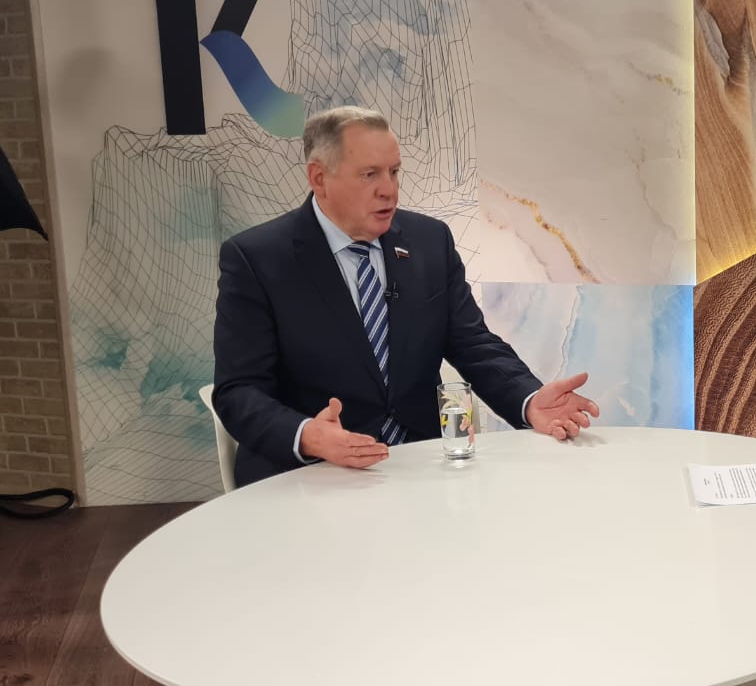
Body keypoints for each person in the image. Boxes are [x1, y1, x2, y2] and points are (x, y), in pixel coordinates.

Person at [213, 106, 598, 486]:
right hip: (308, 478)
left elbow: (472, 343)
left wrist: (528, 400)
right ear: (319, 178)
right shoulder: (258, 259)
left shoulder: (429, 241)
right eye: (369, 174)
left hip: (420, 468)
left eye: (394, 172)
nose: (389, 189)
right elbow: (238, 390)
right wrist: (307, 435)